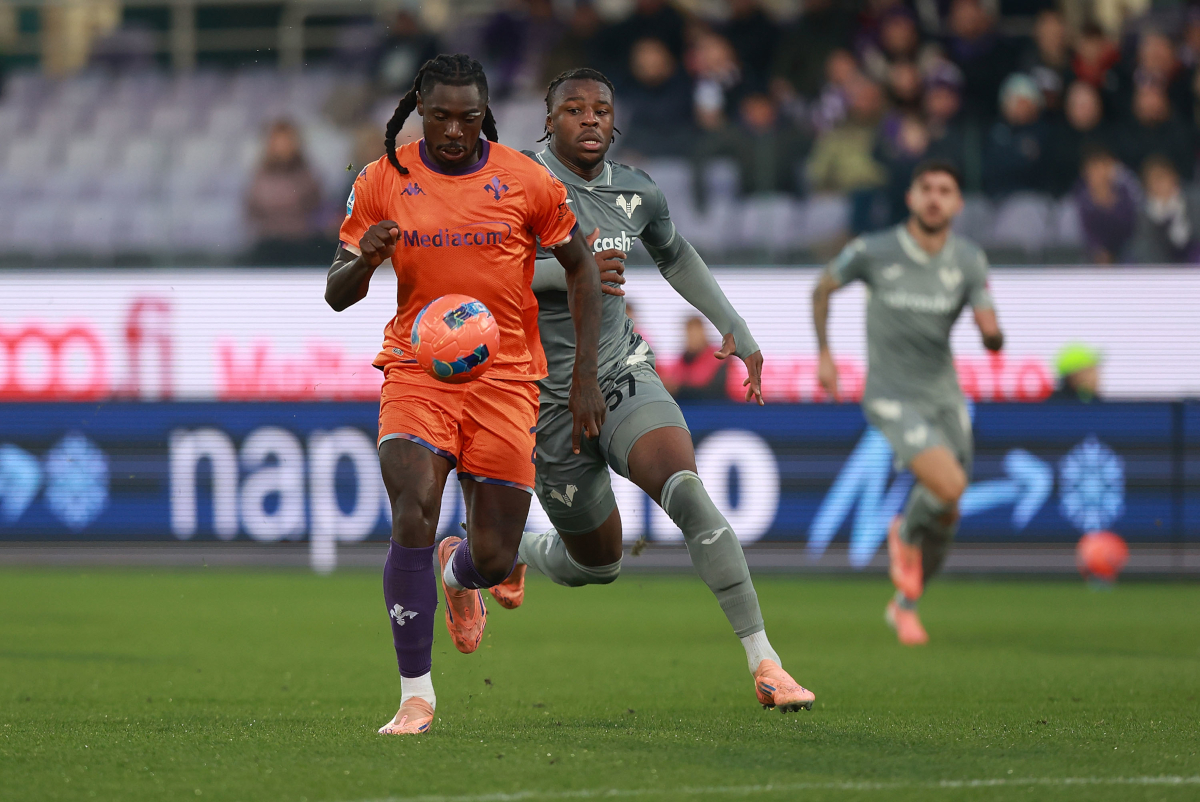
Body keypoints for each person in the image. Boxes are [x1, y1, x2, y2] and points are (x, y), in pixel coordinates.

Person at [495, 67, 815, 713]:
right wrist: (570, 270)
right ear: (548, 121)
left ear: (615, 122)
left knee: (689, 494)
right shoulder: (512, 184)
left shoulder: (637, 191)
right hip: (542, 398)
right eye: (574, 109)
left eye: (602, 110)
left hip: (620, 372)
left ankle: (766, 663)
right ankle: (511, 553)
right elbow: (482, 278)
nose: (590, 119)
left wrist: (735, 327)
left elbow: (675, 254)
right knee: (599, 564)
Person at [325, 54, 606, 736]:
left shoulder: (524, 180)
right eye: (441, 116)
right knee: (413, 510)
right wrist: (365, 259)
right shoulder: (382, 180)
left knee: (493, 557)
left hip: (507, 379)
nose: (455, 130)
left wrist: (584, 376)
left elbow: (581, 270)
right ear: (419, 112)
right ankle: (415, 696)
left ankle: (460, 576)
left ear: (486, 115)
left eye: (469, 117)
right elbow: (336, 293)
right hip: (415, 373)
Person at [811, 159, 1004, 646]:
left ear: (958, 203)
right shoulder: (875, 250)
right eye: (927, 188)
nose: (936, 197)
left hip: (945, 397)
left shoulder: (968, 259)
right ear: (911, 198)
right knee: (949, 483)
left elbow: (987, 319)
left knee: (948, 511)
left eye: (946, 190)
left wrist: (993, 335)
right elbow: (822, 288)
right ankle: (901, 531)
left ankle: (905, 604)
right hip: (891, 395)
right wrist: (826, 355)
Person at [244, 119, 326, 265]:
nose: (283, 146)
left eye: (287, 140)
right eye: (278, 141)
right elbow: (252, 208)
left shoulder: (308, 175)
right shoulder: (259, 176)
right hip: (268, 245)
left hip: (301, 244)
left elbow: (316, 206)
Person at [1128, 154, 1200, 263]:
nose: (1158, 185)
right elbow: (1145, 248)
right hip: (1164, 270)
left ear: (1173, 177)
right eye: (1152, 181)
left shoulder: (1194, 200)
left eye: (1161, 178)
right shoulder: (1144, 213)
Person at [1073, 146, 1139, 264]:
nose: (1100, 174)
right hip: (1092, 251)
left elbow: (1132, 226)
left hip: (1125, 247)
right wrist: (1098, 250)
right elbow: (1085, 232)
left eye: (1104, 166)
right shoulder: (1081, 198)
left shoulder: (1125, 191)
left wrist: (1112, 202)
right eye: (1094, 168)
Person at [660, 316, 730, 400]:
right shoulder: (681, 362)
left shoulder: (718, 359)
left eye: (696, 333)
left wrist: (679, 389)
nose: (692, 338)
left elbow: (713, 390)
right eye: (690, 333)